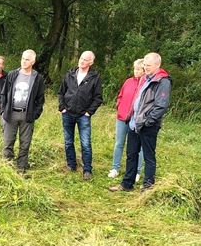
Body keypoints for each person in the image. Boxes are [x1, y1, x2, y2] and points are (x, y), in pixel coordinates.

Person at [109, 52, 171, 192]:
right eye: (144, 65)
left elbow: (161, 105)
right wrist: (131, 117)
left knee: (148, 156)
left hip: (148, 126)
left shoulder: (163, 81)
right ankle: (127, 184)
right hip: (134, 123)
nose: (146, 68)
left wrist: (148, 122)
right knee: (131, 154)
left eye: (148, 65)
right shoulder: (144, 79)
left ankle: (147, 186)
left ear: (157, 65)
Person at [58, 50, 103, 181]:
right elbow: (61, 92)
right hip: (68, 113)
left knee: (86, 143)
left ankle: (87, 170)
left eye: (85, 59)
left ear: (91, 62)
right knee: (68, 142)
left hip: (84, 116)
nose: (82, 61)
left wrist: (89, 112)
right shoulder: (70, 73)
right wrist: (62, 107)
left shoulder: (94, 77)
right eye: (81, 58)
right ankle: (71, 166)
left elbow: (98, 98)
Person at [0, 49, 45, 173]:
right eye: (23, 58)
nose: (24, 61)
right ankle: (7, 165)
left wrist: (35, 114)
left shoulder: (37, 78)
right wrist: (3, 110)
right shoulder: (12, 75)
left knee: (25, 143)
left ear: (33, 62)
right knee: (8, 141)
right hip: (11, 113)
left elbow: (40, 99)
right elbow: (4, 93)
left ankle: (21, 167)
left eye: (27, 60)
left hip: (27, 115)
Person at [108, 59, 145, 181]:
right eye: (135, 68)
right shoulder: (128, 82)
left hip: (136, 120)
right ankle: (115, 168)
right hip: (122, 117)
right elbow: (120, 95)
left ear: (144, 70)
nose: (136, 71)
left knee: (137, 147)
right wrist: (119, 106)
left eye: (139, 69)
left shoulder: (146, 84)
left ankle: (137, 171)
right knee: (119, 143)